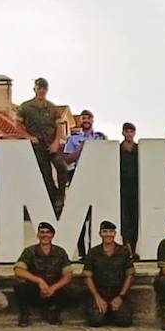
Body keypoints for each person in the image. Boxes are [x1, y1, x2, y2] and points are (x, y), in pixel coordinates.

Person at [62, 110, 107, 256]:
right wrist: (81, 149)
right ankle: (82, 252)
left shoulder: (100, 138)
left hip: (96, 177)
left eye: (89, 117)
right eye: (84, 117)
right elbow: (67, 160)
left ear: (93, 120)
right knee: (80, 216)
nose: (86, 120)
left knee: (96, 216)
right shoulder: (73, 139)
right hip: (78, 175)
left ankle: (93, 250)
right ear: (80, 120)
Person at [14, 222, 78, 327]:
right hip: (35, 289)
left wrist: (53, 288)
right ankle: (24, 314)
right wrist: (39, 281)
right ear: (38, 235)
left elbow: (68, 274)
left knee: (70, 288)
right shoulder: (30, 251)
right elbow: (18, 270)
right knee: (19, 285)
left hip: (53, 290)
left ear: (52, 235)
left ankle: (54, 313)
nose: (45, 235)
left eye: (48, 232)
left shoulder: (60, 252)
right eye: (42, 232)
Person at [18, 78, 65, 211]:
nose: (42, 91)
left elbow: (59, 126)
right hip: (37, 146)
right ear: (35, 89)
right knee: (46, 175)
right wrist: (29, 137)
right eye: (39, 88)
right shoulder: (25, 107)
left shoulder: (52, 107)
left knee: (62, 167)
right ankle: (54, 201)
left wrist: (56, 141)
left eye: (44, 88)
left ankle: (61, 195)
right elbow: (18, 125)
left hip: (52, 144)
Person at [81, 221, 136, 328]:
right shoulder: (93, 252)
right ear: (100, 234)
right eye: (105, 231)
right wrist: (97, 297)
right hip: (100, 293)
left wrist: (120, 297)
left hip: (118, 293)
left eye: (111, 231)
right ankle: (105, 312)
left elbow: (130, 275)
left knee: (124, 321)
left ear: (115, 234)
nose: (108, 234)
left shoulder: (123, 251)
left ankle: (111, 312)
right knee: (95, 321)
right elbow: (87, 276)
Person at [119, 122, 141, 249]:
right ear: (123, 133)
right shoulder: (117, 149)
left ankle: (134, 246)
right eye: (126, 131)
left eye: (131, 131)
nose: (129, 134)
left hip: (136, 187)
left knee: (135, 216)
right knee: (124, 216)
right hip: (122, 187)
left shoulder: (139, 149)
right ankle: (126, 244)